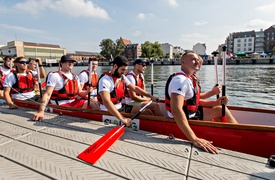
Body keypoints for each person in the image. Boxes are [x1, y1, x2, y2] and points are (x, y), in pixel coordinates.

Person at [165, 51, 221, 154]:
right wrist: (194, 138)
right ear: (183, 63)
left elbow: (195, 99)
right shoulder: (180, 80)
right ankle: (240, 136)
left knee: (221, 109)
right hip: (184, 117)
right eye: (193, 60)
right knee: (221, 111)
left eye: (198, 60)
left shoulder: (188, 78)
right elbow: (176, 110)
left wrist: (214, 99)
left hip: (191, 113)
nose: (197, 62)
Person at [97, 55, 159, 127]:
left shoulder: (122, 77)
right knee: (146, 112)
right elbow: (106, 102)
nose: (124, 72)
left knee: (147, 111)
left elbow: (135, 88)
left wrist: (151, 96)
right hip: (108, 111)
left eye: (125, 70)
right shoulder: (105, 80)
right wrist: (123, 119)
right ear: (115, 66)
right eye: (122, 70)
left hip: (120, 107)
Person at [32, 55, 91, 121]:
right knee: (91, 104)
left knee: (93, 102)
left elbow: (80, 92)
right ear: (61, 63)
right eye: (67, 62)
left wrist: (87, 91)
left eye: (72, 62)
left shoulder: (75, 77)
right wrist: (41, 111)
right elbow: (47, 94)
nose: (70, 63)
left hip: (73, 102)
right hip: (60, 105)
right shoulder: (54, 76)